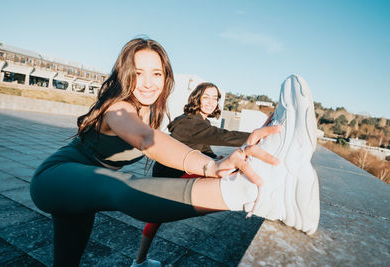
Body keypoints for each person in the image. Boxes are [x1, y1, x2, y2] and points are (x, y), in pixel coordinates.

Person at [30, 37, 282, 267]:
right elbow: (145, 138)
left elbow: (168, 140)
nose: (149, 83)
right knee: (119, 185)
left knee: (66, 262)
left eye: (157, 73)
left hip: (83, 190)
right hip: (56, 177)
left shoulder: (150, 111)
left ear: (166, 77)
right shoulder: (119, 108)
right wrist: (211, 167)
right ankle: (239, 192)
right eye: (138, 73)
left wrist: (252, 137)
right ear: (125, 75)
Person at [134, 82, 259, 266]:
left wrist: (217, 157)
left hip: (178, 172)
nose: (210, 102)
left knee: (155, 219)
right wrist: (258, 137)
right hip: (172, 176)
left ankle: (139, 261)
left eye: (215, 98)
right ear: (197, 98)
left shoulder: (199, 121)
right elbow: (223, 135)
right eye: (206, 97)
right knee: (226, 177)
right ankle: (249, 198)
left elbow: (202, 148)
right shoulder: (191, 122)